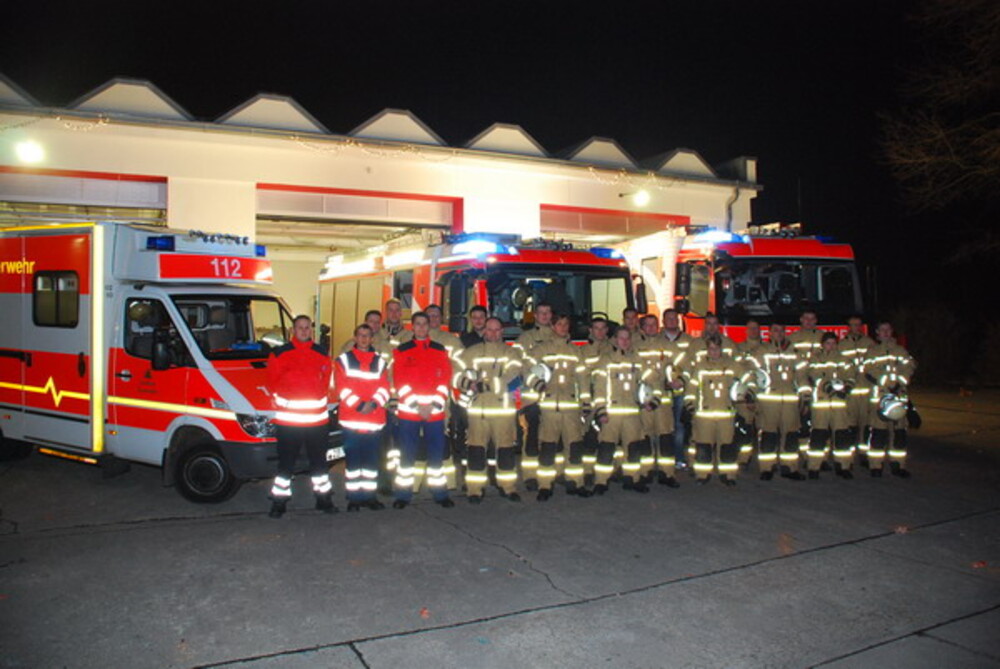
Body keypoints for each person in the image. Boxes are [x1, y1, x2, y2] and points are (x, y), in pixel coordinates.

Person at [265, 315, 335, 518]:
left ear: (311, 330)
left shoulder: (321, 353)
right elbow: (272, 383)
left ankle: (324, 500)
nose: (304, 331)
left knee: (319, 465)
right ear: (292, 331)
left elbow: (325, 382)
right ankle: (279, 502)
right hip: (289, 422)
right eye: (300, 328)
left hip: (317, 422)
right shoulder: (280, 354)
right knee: (286, 465)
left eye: (307, 328)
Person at [458, 317, 524, 503]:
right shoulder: (472, 352)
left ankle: (508, 487)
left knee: (505, 451)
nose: (493, 333)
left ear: (502, 332)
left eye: (497, 330)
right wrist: (468, 384)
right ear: (484, 331)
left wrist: (486, 384)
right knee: (476, 451)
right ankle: (474, 490)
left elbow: (513, 375)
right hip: (478, 412)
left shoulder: (510, 353)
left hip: (503, 412)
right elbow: (456, 372)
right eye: (490, 329)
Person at [391, 312, 454, 508]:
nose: (420, 327)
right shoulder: (402, 350)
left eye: (424, 324)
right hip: (409, 412)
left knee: (436, 455)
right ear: (412, 327)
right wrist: (417, 406)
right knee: (407, 455)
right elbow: (400, 381)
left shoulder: (440, 350)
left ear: (428, 327)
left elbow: (445, 380)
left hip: (434, 413)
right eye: (417, 324)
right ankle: (403, 495)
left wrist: (433, 405)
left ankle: (440, 493)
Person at [524, 314, 589, 500]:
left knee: (574, 447)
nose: (563, 327)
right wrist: (537, 384)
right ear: (553, 326)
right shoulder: (541, 349)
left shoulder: (576, 351)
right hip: (549, 408)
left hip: (570, 408)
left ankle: (575, 483)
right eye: (559, 324)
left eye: (566, 324)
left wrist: (586, 403)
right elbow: (526, 369)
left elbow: (583, 379)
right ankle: (545, 486)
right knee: (547, 448)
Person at [591, 326, 656, 494]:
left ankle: (632, 479)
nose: (625, 341)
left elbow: (651, 382)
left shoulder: (638, 360)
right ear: (614, 340)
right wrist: (600, 411)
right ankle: (601, 482)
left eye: (628, 338)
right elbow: (599, 389)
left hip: (632, 413)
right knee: (606, 448)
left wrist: (652, 400)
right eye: (621, 338)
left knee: (633, 449)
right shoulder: (606, 360)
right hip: (611, 414)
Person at [335, 324, 390, 510]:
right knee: (353, 462)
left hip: (373, 420)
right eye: (361, 335)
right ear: (354, 338)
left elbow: (385, 388)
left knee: (371, 462)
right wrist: (360, 405)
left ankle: (369, 497)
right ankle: (354, 499)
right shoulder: (343, 360)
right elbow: (341, 387)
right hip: (352, 420)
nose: (364, 339)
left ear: (372, 338)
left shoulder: (380, 362)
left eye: (367, 336)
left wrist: (373, 404)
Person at [748, 323, 808, 481]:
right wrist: (752, 396)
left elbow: (802, 376)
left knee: (791, 435)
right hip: (768, 401)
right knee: (768, 435)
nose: (779, 333)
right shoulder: (760, 352)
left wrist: (806, 396)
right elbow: (753, 375)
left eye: (782, 330)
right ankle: (767, 468)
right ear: (769, 333)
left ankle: (790, 468)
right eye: (775, 330)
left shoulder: (795, 353)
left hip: (790, 400)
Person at [863, 321, 917, 478]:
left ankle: (898, 465)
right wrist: (887, 383)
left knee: (899, 434)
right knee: (878, 434)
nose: (885, 333)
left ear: (892, 332)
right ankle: (875, 466)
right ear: (877, 333)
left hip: (899, 397)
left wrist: (899, 382)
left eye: (888, 330)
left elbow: (910, 367)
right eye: (882, 330)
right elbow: (868, 370)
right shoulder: (872, 351)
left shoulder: (900, 350)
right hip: (880, 398)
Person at [684, 336, 741, 486]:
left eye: (716, 348)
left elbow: (747, 378)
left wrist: (748, 392)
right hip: (704, 415)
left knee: (727, 446)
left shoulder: (731, 364)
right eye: (710, 348)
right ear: (706, 350)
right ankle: (702, 475)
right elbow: (691, 387)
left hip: (726, 413)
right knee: (703, 446)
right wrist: (690, 404)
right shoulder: (700, 366)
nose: (714, 352)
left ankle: (728, 475)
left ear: (721, 348)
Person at [635, 314, 680, 488]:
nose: (651, 328)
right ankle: (646, 472)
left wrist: (678, 380)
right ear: (642, 328)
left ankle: (666, 473)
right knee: (645, 436)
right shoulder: (636, 348)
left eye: (654, 325)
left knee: (665, 437)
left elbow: (682, 366)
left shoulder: (668, 347)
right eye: (647, 325)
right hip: (644, 399)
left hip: (664, 402)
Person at [514, 301, 555, 490]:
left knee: (552, 437)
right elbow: (521, 366)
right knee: (531, 437)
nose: (545, 316)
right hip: (531, 396)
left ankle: (553, 473)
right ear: (535, 316)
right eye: (541, 313)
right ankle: (530, 476)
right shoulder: (525, 338)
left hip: (554, 396)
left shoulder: (559, 337)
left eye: (548, 312)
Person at [805, 332, 857, 479]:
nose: (831, 346)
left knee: (841, 436)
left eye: (834, 343)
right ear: (822, 344)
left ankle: (843, 466)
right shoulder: (815, 358)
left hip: (839, 404)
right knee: (818, 436)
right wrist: (826, 385)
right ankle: (814, 467)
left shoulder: (843, 359)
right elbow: (813, 374)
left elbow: (851, 376)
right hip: (821, 402)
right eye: (828, 343)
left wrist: (847, 388)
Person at [579, 317, 612, 484]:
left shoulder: (614, 349)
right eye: (596, 328)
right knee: (590, 438)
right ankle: (587, 473)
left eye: (602, 328)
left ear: (607, 330)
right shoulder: (583, 352)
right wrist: (585, 402)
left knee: (609, 437)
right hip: (591, 399)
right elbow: (581, 378)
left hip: (611, 399)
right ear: (590, 331)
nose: (599, 332)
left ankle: (612, 471)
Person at [839, 315, 876, 462]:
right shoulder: (841, 345)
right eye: (853, 325)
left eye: (859, 325)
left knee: (867, 424)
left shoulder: (870, 343)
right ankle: (849, 455)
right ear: (848, 328)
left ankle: (864, 454)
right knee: (850, 424)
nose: (856, 328)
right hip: (850, 392)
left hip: (867, 390)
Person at [661, 308, 693, 471]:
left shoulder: (689, 341)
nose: (672, 321)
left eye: (675, 318)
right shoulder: (657, 340)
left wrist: (681, 380)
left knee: (679, 426)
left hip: (681, 390)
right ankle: (663, 459)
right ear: (663, 321)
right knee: (664, 426)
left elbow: (692, 365)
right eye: (669, 318)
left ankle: (679, 458)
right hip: (662, 391)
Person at [734, 318, 765, 468]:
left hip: (765, 395)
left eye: (756, 328)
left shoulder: (767, 349)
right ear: (746, 330)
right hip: (745, 394)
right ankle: (743, 459)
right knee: (744, 428)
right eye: (750, 328)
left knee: (765, 428)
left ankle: (765, 460)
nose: (753, 331)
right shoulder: (738, 349)